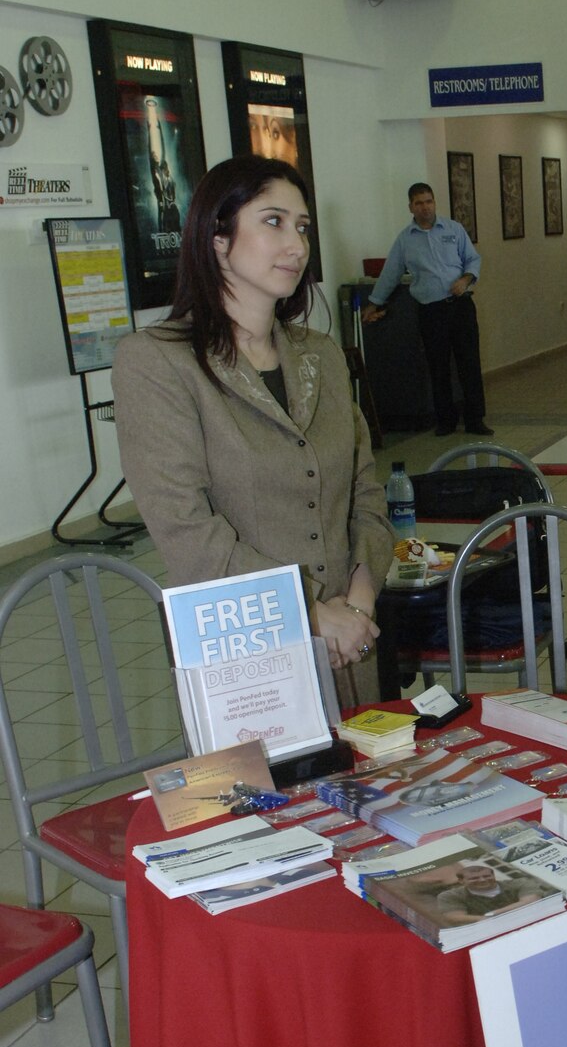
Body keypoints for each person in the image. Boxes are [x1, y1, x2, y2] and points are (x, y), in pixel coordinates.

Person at [113, 155, 392, 706]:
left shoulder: (320, 356)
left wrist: (357, 607)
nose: (296, 244)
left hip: (349, 645)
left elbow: (366, 492)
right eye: (273, 221)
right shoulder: (158, 362)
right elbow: (186, 529)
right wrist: (311, 616)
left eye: (303, 227)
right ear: (218, 238)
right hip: (249, 664)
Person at [367, 182, 490, 437]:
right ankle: (445, 420)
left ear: (435, 202)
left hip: (461, 306)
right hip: (431, 312)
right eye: (419, 203)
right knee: (438, 367)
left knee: (469, 364)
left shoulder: (453, 230)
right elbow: (391, 273)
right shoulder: (405, 240)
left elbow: (473, 259)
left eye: (429, 201)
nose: (425, 207)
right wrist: (374, 302)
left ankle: (475, 419)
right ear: (411, 207)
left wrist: (465, 279)